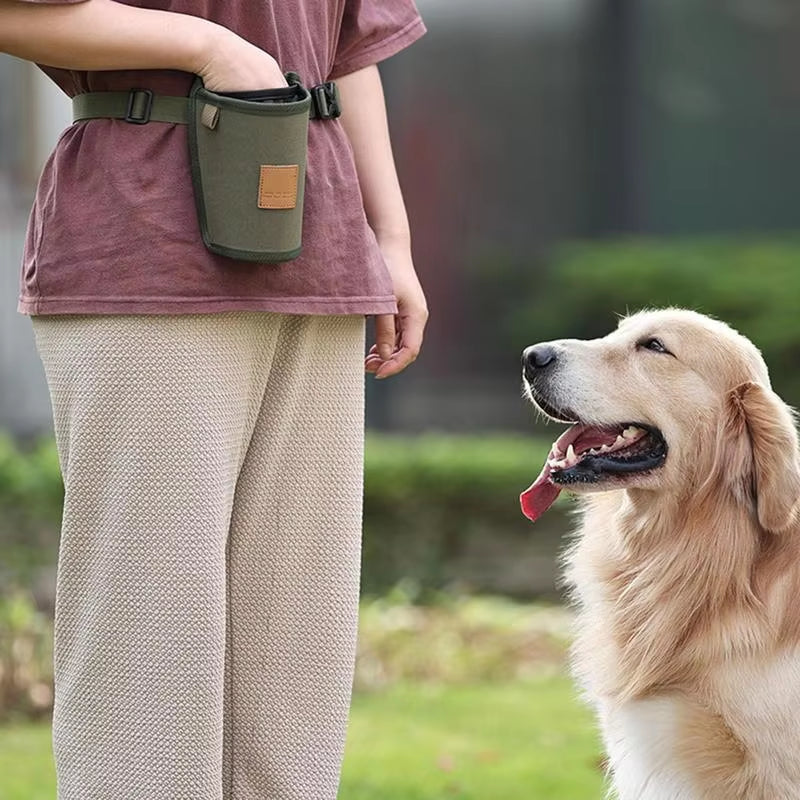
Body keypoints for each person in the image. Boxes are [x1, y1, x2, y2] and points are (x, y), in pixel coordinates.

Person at [0, 1, 428, 798]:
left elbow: (350, 50)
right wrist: (206, 46)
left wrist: (390, 240)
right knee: (150, 623)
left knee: (294, 640)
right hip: (144, 246)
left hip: (320, 249)